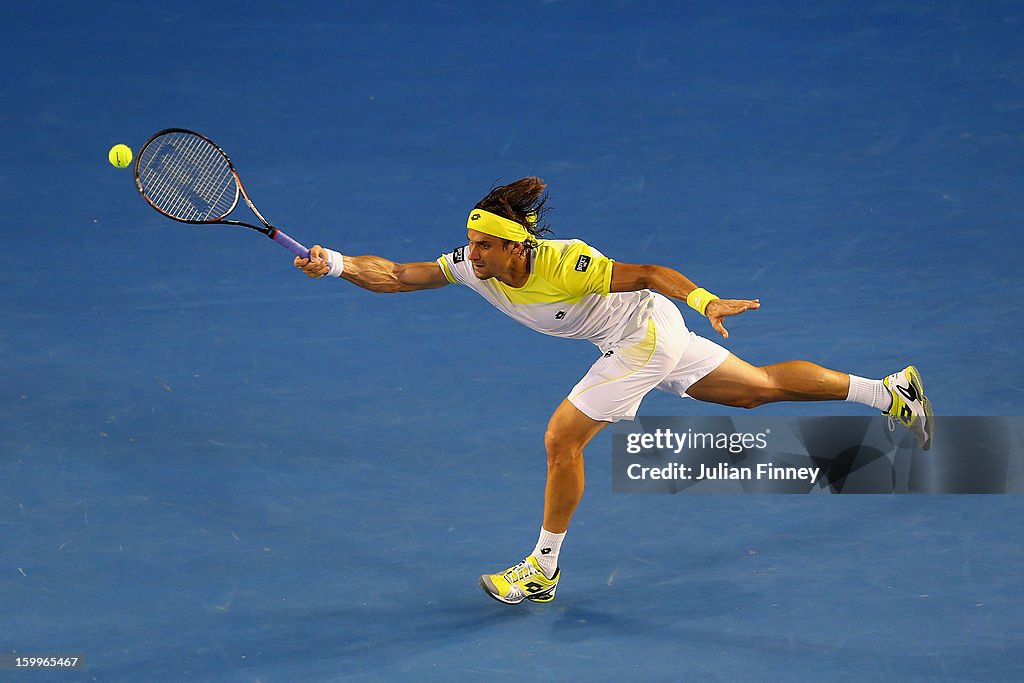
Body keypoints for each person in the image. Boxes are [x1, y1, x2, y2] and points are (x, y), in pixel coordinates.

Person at [294, 177, 934, 606]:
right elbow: (401, 277)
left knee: (560, 438)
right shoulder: (471, 269)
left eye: (486, 242)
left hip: (645, 334)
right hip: (630, 337)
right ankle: (889, 393)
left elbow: (651, 273)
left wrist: (705, 300)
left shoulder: (566, 260)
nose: (472, 251)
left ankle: (542, 568)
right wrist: (341, 265)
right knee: (754, 390)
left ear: (520, 243)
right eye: (471, 240)